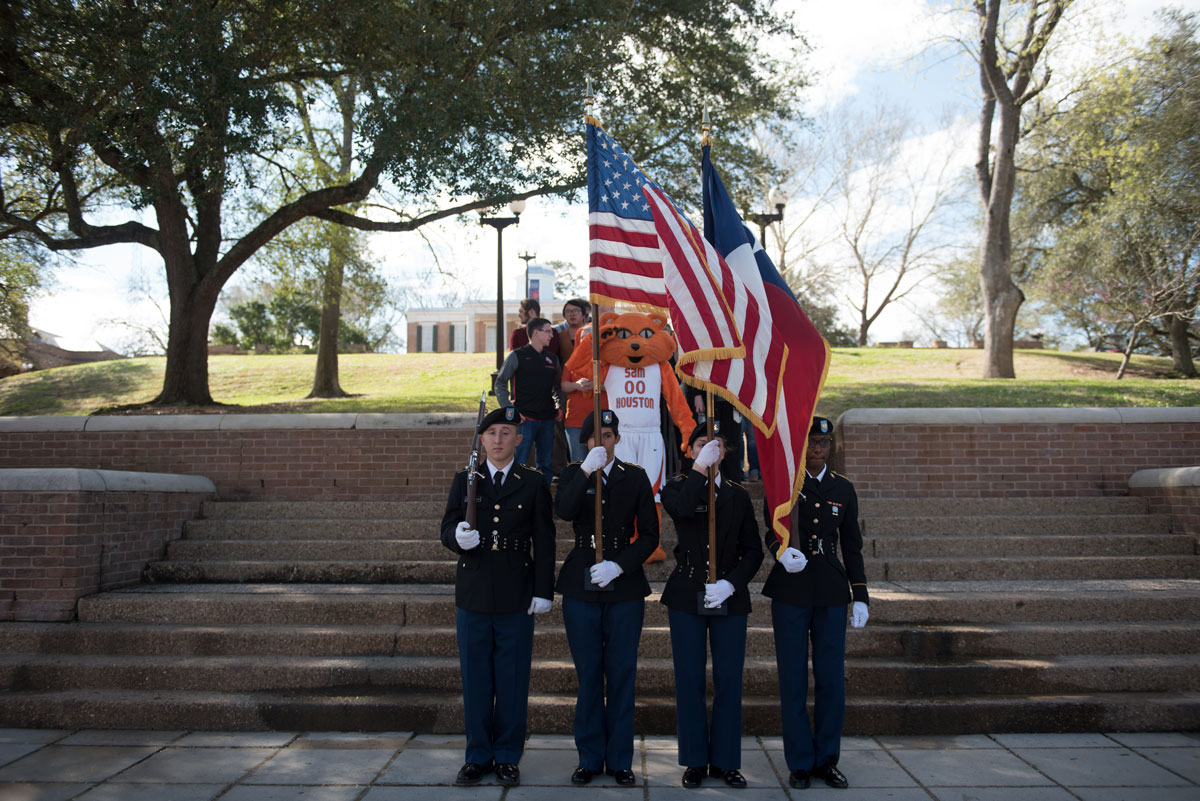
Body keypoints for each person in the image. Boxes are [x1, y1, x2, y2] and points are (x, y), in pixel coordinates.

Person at [439, 406, 556, 788]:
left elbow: (545, 540)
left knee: (512, 680)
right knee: (476, 681)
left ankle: (507, 756)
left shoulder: (533, 482)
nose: (499, 440)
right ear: (482, 439)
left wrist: (543, 591)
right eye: (492, 433)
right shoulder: (465, 480)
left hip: (516, 595)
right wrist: (457, 537)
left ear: (518, 439)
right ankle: (477, 756)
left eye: (507, 433)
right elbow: (445, 528)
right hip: (473, 595)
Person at [762, 416, 870, 790]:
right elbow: (770, 529)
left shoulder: (844, 488)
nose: (818, 450)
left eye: (824, 443)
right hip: (791, 590)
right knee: (793, 680)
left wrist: (861, 596)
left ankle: (827, 759)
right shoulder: (785, 485)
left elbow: (852, 545)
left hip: (830, 591)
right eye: (812, 443)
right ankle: (800, 762)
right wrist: (781, 552)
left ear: (831, 447)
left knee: (830, 681)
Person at [554, 409, 659, 786]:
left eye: (611, 435)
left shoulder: (635, 477)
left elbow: (649, 535)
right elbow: (562, 512)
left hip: (624, 584)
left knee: (621, 674)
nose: (605, 441)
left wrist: (620, 565)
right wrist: (584, 471)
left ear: (618, 439)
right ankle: (589, 757)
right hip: (581, 581)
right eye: (597, 436)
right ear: (585, 441)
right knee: (589, 675)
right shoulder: (571, 474)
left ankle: (620, 760)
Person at [660, 422, 763, 789]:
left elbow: (754, 550)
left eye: (716, 445)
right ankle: (694, 760)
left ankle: (725, 761)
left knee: (728, 680)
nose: (710, 449)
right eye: (703, 443)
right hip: (687, 592)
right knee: (689, 679)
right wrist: (699, 470)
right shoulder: (676, 486)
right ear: (690, 450)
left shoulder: (737, 495)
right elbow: (683, 510)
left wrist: (731, 583)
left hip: (728, 597)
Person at [495, 317, 563, 485]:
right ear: (535, 333)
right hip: (524, 420)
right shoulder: (517, 355)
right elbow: (500, 383)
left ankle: (542, 501)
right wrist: (509, 410)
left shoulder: (552, 359)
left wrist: (559, 405)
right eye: (548, 331)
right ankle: (516, 502)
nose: (551, 336)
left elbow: (557, 387)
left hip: (548, 419)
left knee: (546, 465)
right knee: (519, 462)